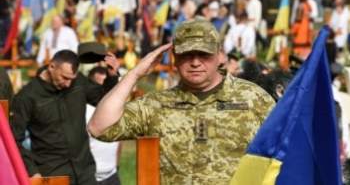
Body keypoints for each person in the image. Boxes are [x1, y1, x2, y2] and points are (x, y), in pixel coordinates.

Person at [88, 20, 275, 184]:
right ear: (174, 58)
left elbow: (286, 155)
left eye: (204, 54)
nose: (195, 62)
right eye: (187, 55)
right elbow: (99, 127)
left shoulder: (253, 99)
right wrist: (135, 74)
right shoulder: (158, 105)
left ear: (220, 56)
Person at [10, 50, 120, 185]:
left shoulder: (78, 81)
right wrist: (31, 170)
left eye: (71, 79)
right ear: (51, 67)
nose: (68, 84)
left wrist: (112, 77)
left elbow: (103, 99)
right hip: (53, 174)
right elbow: (13, 140)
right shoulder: (26, 97)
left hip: (85, 170)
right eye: (64, 77)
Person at [86, 67, 121, 185]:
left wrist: (116, 165)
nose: (103, 90)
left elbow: (119, 139)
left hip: (112, 176)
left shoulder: (116, 110)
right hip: (89, 177)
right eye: (98, 85)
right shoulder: (83, 111)